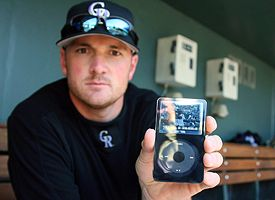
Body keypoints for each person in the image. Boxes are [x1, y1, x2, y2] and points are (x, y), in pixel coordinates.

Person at [8, 1, 223, 200]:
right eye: (83, 50)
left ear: (132, 66)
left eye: (114, 52)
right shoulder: (34, 120)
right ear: (64, 60)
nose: (98, 66)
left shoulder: (157, 114)